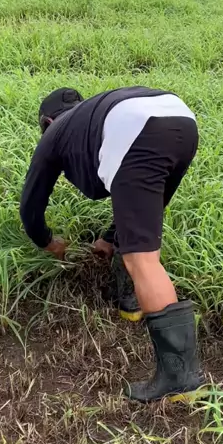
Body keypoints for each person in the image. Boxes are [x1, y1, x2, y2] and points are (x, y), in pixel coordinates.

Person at [20, 86, 204, 403]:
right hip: (181, 120)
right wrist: (107, 237)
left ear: (47, 122)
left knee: (142, 260)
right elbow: (130, 201)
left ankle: (180, 380)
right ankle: (131, 303)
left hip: (138, 131)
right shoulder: (90, 118)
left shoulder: (55, 134)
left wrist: (49, 242)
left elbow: (30, 207)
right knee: (140, 235)